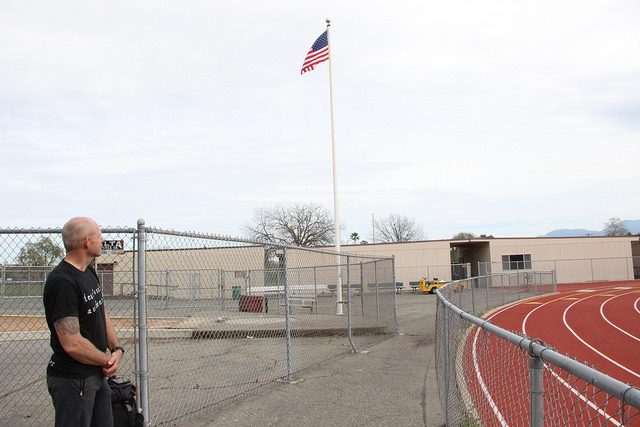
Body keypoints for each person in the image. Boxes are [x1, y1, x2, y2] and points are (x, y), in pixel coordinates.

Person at [43, 217, 124, 426]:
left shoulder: (88, 271)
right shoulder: (62, 282)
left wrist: (116, 348)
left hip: (95, 375)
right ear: (87, 242)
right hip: (73, 380)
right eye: (99, 236)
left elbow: (100, 313)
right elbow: (72, 344)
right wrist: (107, 360)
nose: (102, 240)